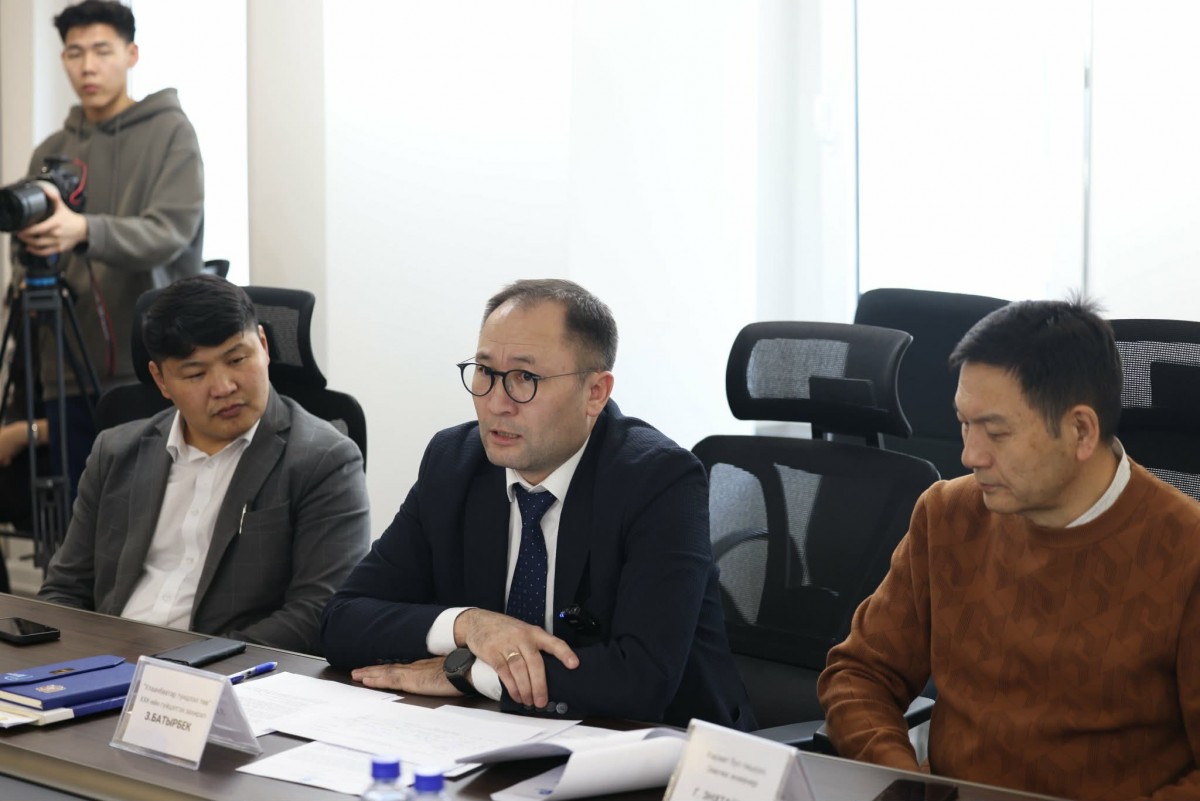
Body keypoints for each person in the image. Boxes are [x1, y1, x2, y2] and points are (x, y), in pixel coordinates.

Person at [321, 278, 754, 729]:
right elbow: (342, 620)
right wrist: (470, 626)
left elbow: (641, 678)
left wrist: (468, 672)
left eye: (525, 378)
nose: (496, 403)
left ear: (595, 393)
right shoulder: (454, 463)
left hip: (661, 746)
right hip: (493, 734)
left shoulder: (657, 479)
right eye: (485, 371)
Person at [818, 299, 1200, 801]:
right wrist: (906, 783)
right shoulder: (947, 514)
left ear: (1081, 431)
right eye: (964, 423)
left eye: (996, 432)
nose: (969, 454)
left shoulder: (1187, 554)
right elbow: (859, 674)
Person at [38, 275, 370, 655]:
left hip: (227, 672)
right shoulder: (115, 452)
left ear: (263, 346)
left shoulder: (324, 460)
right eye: (196, 374)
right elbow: (64, 590)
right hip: (105, 665)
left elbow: (316, 613)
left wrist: (181, 668)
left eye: (237, 359)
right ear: (161, 380)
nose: (224, 387)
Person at [9, 0, 204, 502]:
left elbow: (170, 231)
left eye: (102, 51)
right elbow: (27, 254)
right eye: (75, 53)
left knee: (150, 515)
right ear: (63, 60)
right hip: (65, 366)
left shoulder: (170, 131)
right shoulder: (51, 150)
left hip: (153, 364)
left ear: (131, 54)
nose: (88, 67)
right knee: (81, 518)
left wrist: (83, 230)